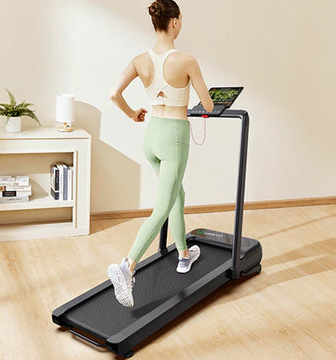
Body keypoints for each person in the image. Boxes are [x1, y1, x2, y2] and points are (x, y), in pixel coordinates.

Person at [107, 0, 214, 308]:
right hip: (174, 139)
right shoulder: (187, 60)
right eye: (181, 19)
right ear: (175, 22)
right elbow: (207, 105)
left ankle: (183, 254)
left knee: (177, 193)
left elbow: (114, 93)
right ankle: (127, 266)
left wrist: (131, 115)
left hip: (151, 136)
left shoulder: (140, 60)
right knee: (163, 206)